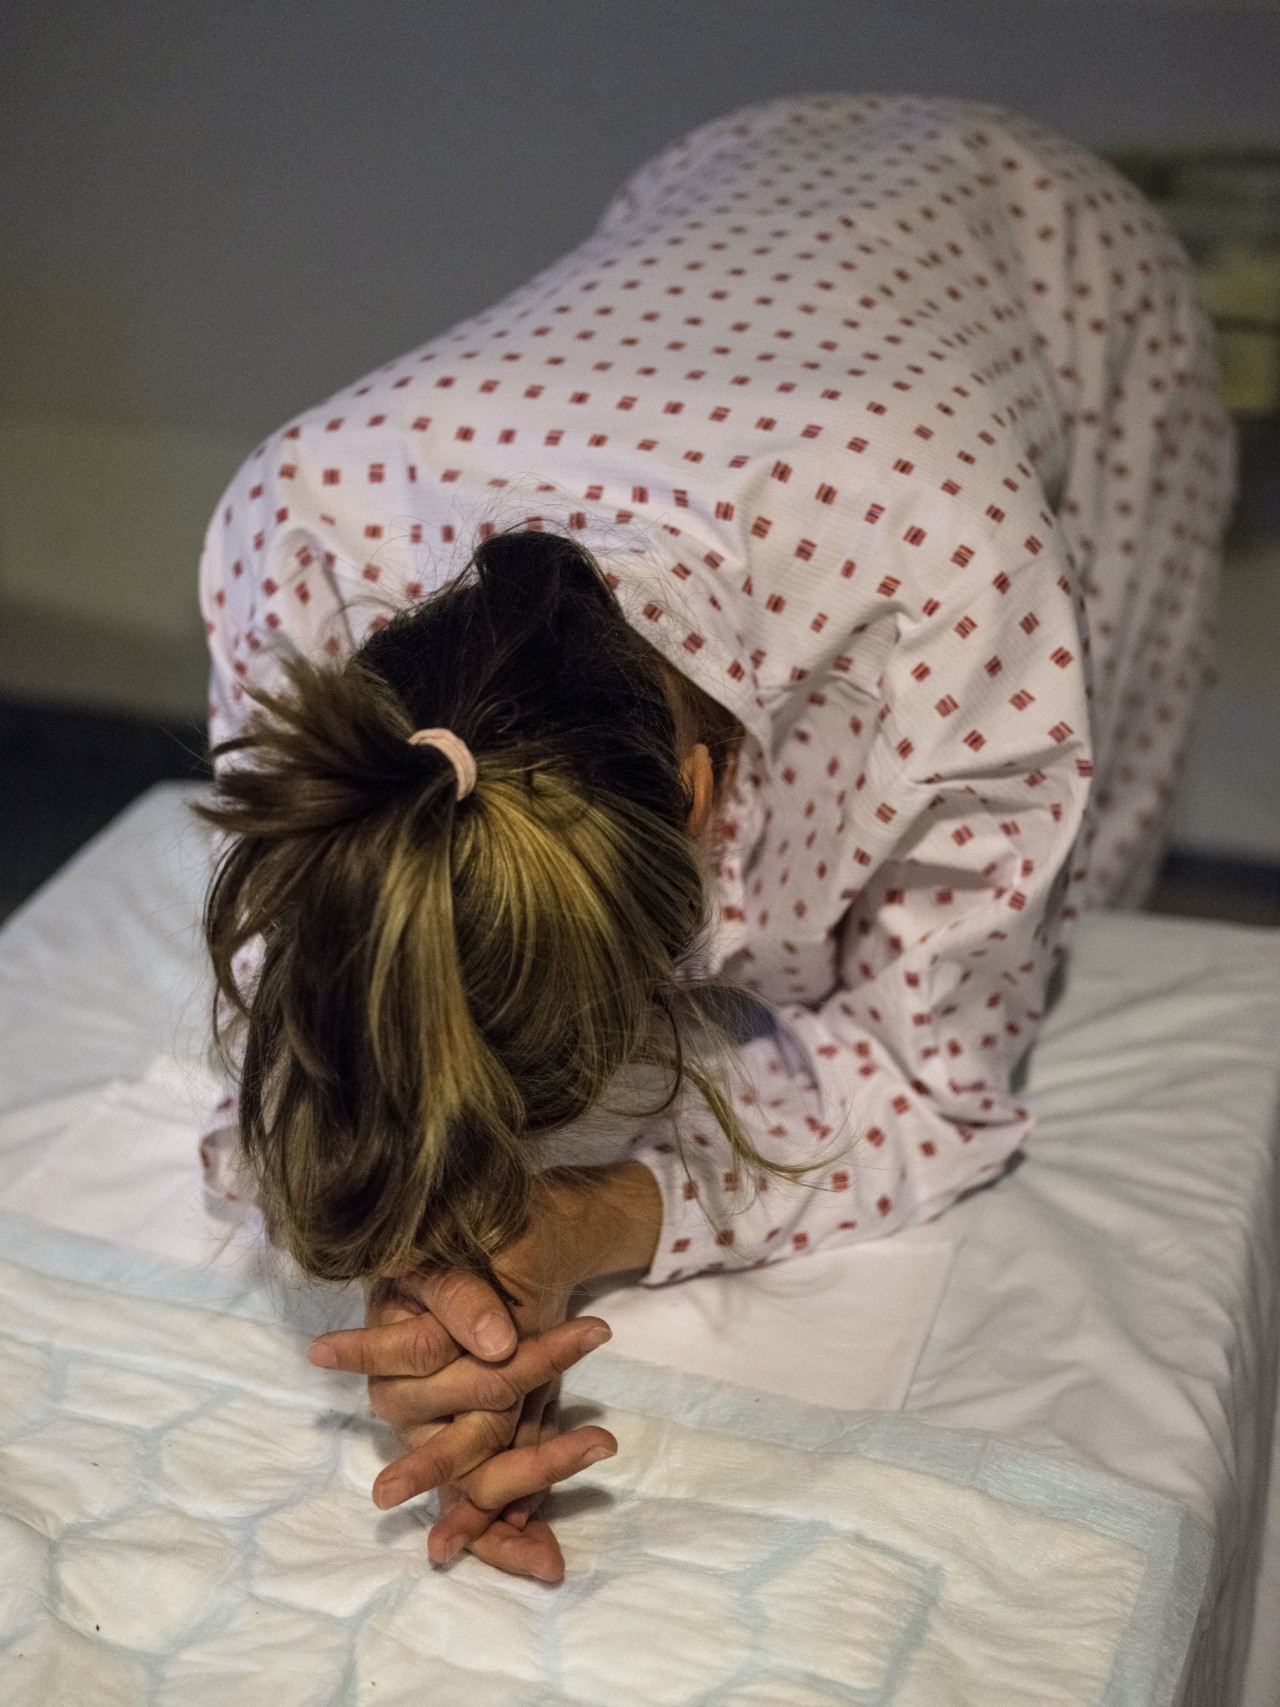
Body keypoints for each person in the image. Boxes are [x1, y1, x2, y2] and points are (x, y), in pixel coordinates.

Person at [198, 93, 1232, 1583]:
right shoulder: (298, 539)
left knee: (1083, 861)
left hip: (1065, 262)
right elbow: (329, 1004)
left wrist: (585, 1219)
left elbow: (933, 1077)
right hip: (719, 196)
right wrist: (452, 1293)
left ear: (700, 798)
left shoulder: (956, 599)